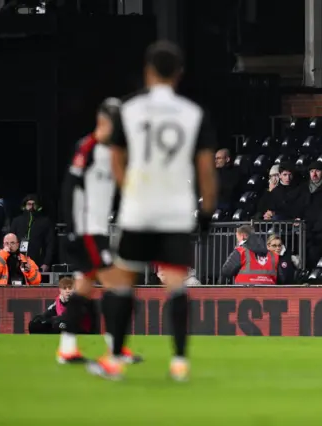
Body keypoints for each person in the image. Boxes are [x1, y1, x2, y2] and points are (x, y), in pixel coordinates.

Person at [88, 40, 218, 382]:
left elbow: (116, 157)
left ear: (147, 71)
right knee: (176, 284)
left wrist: (128, 190)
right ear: (179, 74)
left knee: (121, 282)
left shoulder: (129, 108)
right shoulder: (193, 113)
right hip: (176, 210)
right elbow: (206, 169)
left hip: (140, 208)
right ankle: (179, 362)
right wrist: (206, 213)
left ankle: (114, 358)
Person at [56, 98, 141, 365]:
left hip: (100, 229)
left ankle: (67, 349)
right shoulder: (87, 147)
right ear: (101, 120)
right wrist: (72, 228)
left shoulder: (113, 150)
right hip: (88, 231)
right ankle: (115, 348)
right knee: (118, 284)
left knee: (83, 288)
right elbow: (70, 188)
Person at [29, 277, 98, 334]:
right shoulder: (57, 303)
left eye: (70, 288)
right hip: (62, 327)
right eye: (65, 289)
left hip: (79, 331)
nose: (68, 291)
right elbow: (46, 316)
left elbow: (75, 320)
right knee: (35, 323)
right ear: (60, 290)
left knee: (60, 324)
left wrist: (55, 320)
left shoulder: (78, 302)